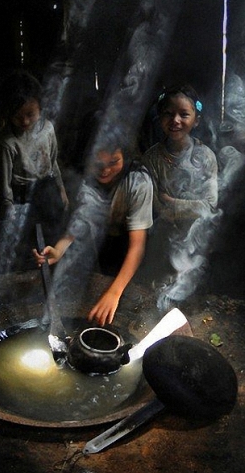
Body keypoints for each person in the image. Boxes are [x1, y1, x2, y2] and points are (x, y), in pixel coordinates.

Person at [33, 130, 154, 327]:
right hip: (103, 238)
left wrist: (114, 293)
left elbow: (137, 246)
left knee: (127, 298)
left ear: (125, 156)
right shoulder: (86, 181)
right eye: (98, 164)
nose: (105, 170)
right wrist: (59, 249)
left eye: (113, 162)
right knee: (101, 283)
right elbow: (79, 225)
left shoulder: (138, 182)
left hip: (130, 241)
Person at [0, 69, 69, 273]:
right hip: (22, 195)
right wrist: (8, 210)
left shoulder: (47, 130)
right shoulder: (7, 142)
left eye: (30, 114)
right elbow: (5, 184)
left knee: (53, 237)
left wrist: (61, 190)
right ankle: (29, 283)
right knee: (27, 246)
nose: (25, 122)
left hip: (47, 189)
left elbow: (53, 164)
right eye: (18, 117)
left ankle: (55, 276)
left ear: (40, 106)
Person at [141, 84, 219, 296]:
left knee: (196, 299)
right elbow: (156, 208)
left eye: (184, 114)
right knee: (157, 295)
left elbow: (210, 205)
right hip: (161, 244)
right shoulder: (151, 159)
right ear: (160, 117)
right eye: (169, 113)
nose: (175, 120)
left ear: (197, 120)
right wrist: (183, 207)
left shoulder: (206, 157)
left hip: (197, 244)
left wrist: (173, 203)